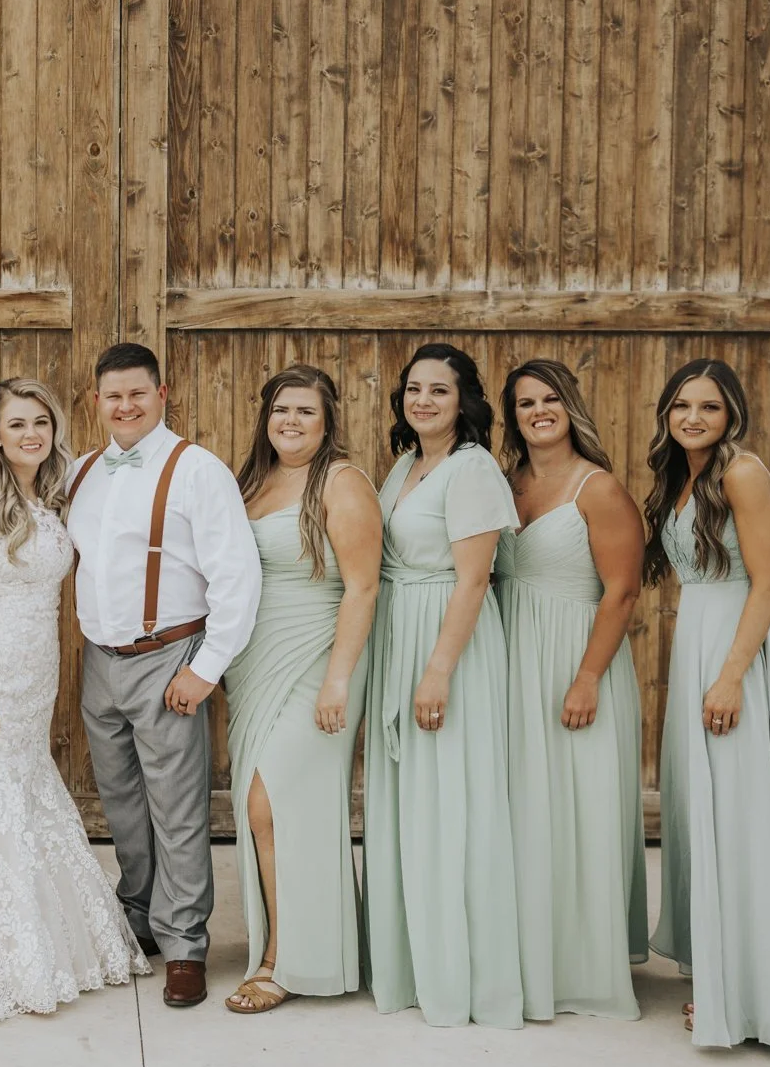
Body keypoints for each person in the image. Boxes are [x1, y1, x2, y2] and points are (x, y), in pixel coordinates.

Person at [0, 379, 149, 1023]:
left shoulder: (52, 501)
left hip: (35, 676)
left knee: (25, 791)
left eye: (41, 423)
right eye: (18, 424)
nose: (31, 435)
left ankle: (48, 939)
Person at [644, 359, 770, 1057]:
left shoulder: (742, 472)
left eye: (709, 406)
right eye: (682, 405)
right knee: (705, 811)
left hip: (733, 649)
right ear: (667, 413)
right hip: (696, 640)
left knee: (738, 813)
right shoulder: (682, 475)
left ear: (732, 415)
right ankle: (720, 964)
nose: (693, 417)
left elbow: (769, 583)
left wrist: (730, 677)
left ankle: (749, 990)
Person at [65, 342, 261, 1010]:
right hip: (100, 659)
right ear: (96, 400)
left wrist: (204, 669)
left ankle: (185, 944)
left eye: (137, 394)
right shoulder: (81, 471)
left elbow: (237, 577)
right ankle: (140, 916)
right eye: (113, 395)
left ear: (162, 394)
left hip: (170, 656)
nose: (125, 406)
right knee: (122, 803)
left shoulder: (197, 470)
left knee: (177, 810)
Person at [363, 342, 522, 1028]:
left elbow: (475, 579)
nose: (423, 400)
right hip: (400, 631)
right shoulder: (406, 464)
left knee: (450, 801)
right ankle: (409, 960)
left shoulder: (473, 468)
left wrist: (437, 670)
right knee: (409, 802)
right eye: (414, 389)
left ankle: (460, 974)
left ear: (465, 402)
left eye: (439, 390)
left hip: (446, 644)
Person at [221, 365, 378, 1013]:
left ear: (327, 420)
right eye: (281, 409)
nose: (290, 421)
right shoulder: (250, 482)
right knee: (259, 806)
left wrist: (338, 679)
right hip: (256, 663)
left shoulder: (341, 481)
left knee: (275, 802)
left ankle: (280, 960)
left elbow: (362, 586)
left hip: (317, 657)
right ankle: (291, 946)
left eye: (305, 411)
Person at [495, 358, 646, 1021]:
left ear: (570, 406)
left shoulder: (598, 487)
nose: (538, 411)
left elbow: (623, 591)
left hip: (577, 658)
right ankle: (530, 954)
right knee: (527, 809)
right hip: (514, 660)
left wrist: (587, 677)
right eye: (525, 402)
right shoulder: (507, 483)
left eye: (549, 398)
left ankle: (582, 967)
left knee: (580, 809)